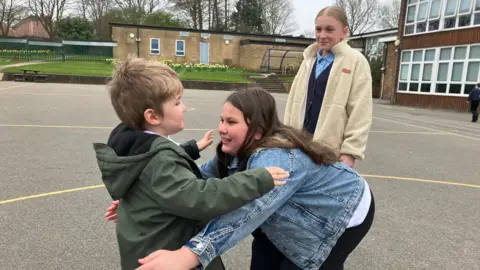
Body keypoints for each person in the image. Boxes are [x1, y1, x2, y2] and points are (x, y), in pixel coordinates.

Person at [135, 88, 375, 270]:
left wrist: (189, 255)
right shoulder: (234, 153)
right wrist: (147, 198)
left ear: (258, 131)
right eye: (222, 120)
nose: (222, 129)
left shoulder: (276, 160)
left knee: (304, 262)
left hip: (343, 212)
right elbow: (192, 180)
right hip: (286, 213)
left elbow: (248, 211)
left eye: (231, 122)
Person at [92, 58, 289, 270]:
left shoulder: (133, 144)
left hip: (148, 249)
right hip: (165, 256)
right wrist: (256, 179)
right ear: (152, 116)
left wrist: (141, 202)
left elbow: (158, 182)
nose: (184, 107)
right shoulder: (160, 160)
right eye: (177, 102)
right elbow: (200, 197)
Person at [284, 6, 373, 169]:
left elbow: (361, 111)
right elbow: (292, 103)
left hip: (330, 152)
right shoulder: (308, 60)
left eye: (329, 29)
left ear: (344, 32)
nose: (322, 35)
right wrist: (287, 137)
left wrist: (350, 152)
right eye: (318, 29)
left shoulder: (356, 62)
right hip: (298, 146)